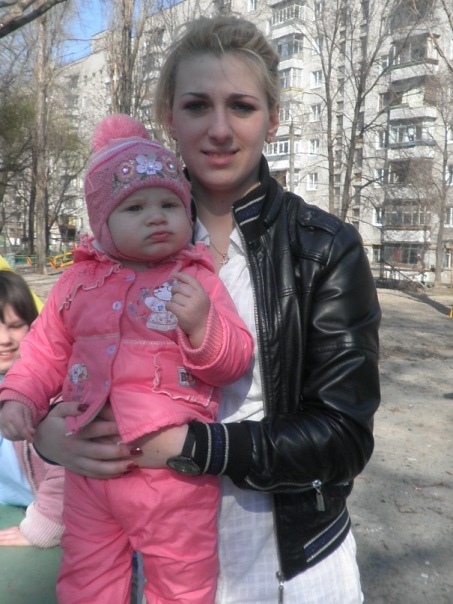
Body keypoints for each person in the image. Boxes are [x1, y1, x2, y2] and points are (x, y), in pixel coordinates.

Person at [31, 16, 381, 604]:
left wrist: (193, 447)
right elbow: (59, 353)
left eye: (241, 106)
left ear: (272, 118)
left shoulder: (323, 246)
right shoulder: (116, 243)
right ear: (169, 115)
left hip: (288, 563)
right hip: (147, 552)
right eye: (197, 105)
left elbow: (343, 436)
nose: (219, 129)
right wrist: (49, 434)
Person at [0, 114, 253, 603]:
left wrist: (203, 325)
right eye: (135, 207)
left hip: (173, 479)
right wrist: (20, 397)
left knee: (182, 585)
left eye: (169, 204)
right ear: (103, 222)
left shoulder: (197, 279)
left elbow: (234, 361)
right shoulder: (76, 283)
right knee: (87, 579)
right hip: (89, 472)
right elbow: (43, 350)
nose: (156, 217)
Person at [0, 269, 64, 549]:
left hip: (53, 514)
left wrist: (42, 527)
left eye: (15, 326)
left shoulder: (49, 393)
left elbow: (69, 470)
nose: (4, 338)